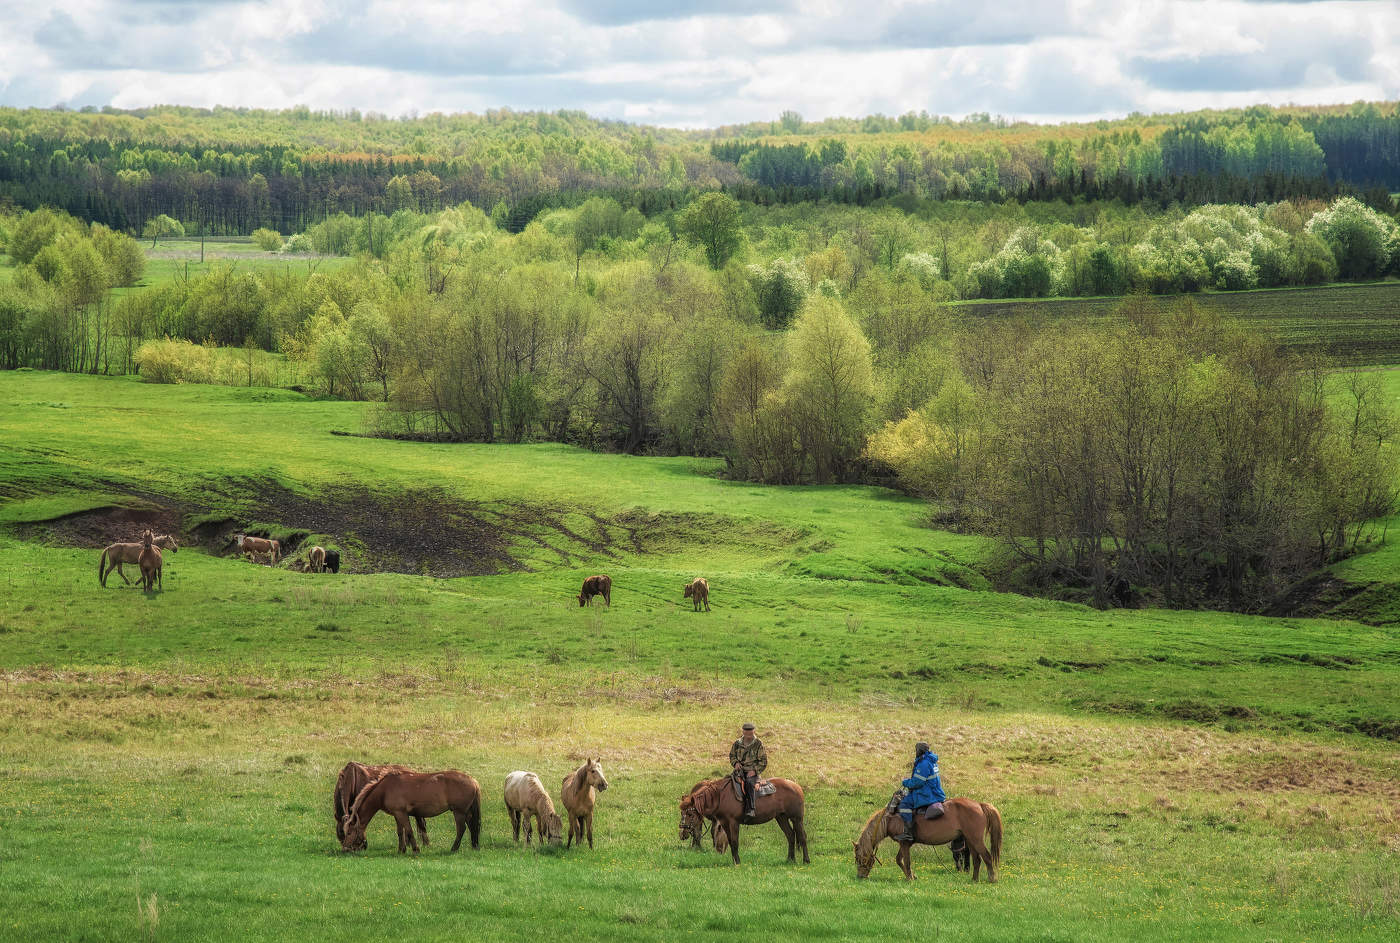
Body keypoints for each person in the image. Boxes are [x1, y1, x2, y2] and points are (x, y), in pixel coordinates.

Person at [897, 741, 946, 842]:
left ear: (920, 751)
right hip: (935, 792)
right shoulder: (931, 760)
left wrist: (905, 782)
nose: (915, 752)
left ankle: (908, 834)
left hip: (927, 794)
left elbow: (917, 782)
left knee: (904, 804)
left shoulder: (923, 764)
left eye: (916, 750)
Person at [729, 722, 768, 821]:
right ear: (743, 732)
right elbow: (732, 756)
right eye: (746, 734)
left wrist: (754, 771)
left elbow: (763, 761)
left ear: (754, 732)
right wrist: (736, 763)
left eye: (750, 734)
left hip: (752, 772)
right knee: (729, 782)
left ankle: (751, 809)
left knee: (750, 784)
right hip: (739, 771)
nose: (748, 736)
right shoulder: (737, 743)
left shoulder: (758, 744)